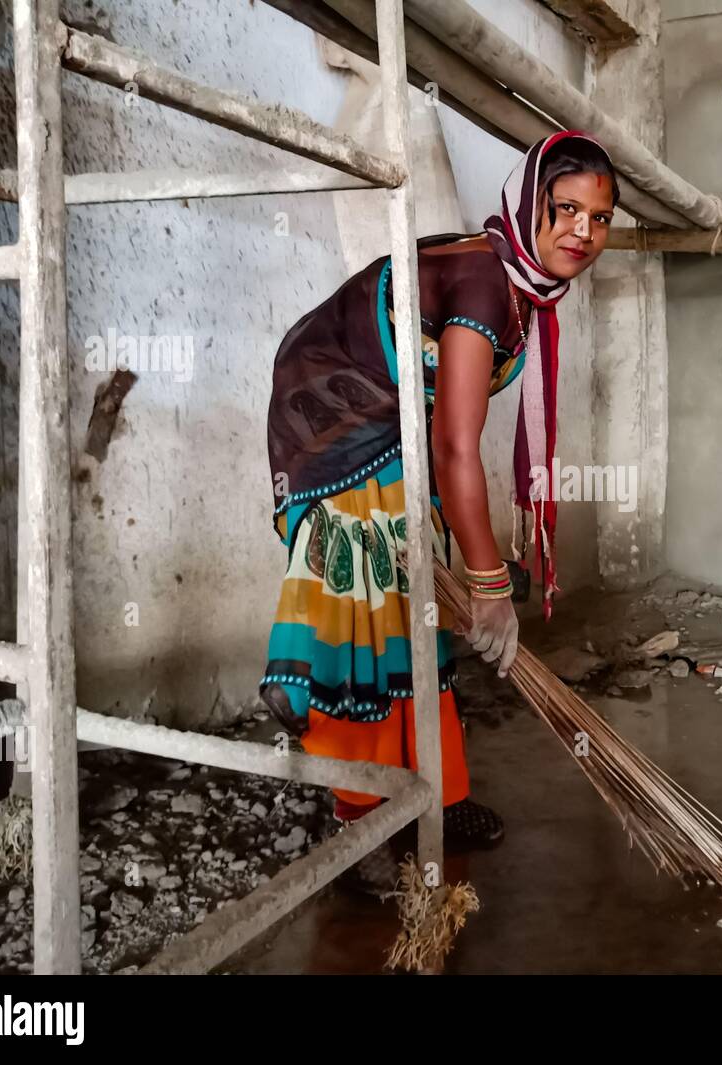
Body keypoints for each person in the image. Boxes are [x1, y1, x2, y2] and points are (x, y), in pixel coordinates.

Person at [258, 130, 618, 852]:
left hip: (393, 421)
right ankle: (360, 810)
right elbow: (455, 444)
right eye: (567, 208)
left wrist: (476, 572)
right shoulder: (489, 282)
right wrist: (488, 584)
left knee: (415, 605)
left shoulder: (523, 289)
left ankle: (438, 793)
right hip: (334, 414)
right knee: (370, 609)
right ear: (530, 205)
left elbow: (451, 430)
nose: (583, 230)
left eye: (601, 217)